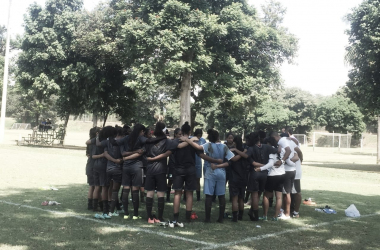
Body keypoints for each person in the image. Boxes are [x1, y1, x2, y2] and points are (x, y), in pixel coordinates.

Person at [181, 129, 234, 223]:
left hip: (210, 171)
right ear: (218, 137)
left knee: (209, 195)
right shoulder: (224, 146)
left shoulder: (208, 145)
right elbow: (230, 159)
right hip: (221, 172)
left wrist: (188, 140)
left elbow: (198, 147)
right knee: (221, 195)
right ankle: (221, 218)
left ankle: (207, 218)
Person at [231, 132, 278, 221]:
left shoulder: (251, 149)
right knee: (259, 194)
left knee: (255, 196)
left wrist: (236, 150)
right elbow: (278, 150)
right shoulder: (266, 147)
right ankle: (252, 212)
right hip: (264, 173)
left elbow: (246, 156)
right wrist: (279, 161)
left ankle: (255, 216)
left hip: (255, 173)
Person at [169, 122, 203, 227]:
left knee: (177, 193)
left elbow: (178, 147)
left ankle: (175, 217)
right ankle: (188, 217)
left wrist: (188, 140)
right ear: (190, 131)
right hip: (190, 169)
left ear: (181, 131)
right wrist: (191, 140)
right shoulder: (193, 141)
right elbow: (199, 149)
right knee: (189, 193)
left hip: (178, 169)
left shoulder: (175, 141)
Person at [211, 136, 247, 222]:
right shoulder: (245, 151)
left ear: (234, 142)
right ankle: (240, 215)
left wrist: (216, 166)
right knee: (241, 198)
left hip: (234, 177)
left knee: (234, 198)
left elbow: (230, 161)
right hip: (243, 177)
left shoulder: (231, 152)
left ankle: (235, 217)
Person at [119, 124, 147, 220]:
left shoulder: (126, 138)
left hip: (126, 166)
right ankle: (135, 214)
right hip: (137, 166)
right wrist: (136, 151)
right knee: (135, 190)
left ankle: (126, 213)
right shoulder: (141, 139)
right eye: (143, 132)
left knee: (126, 189)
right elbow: (142, 150)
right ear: (141, 131)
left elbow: (122, 151)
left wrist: (126, 157)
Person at [254, 137, 286, 221]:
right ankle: (275, 216)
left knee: (266, 196)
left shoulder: (271, 151)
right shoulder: (282, 150)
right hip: (282, 174)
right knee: (279, 197)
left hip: (272, 175)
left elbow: (271, 163)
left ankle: (265, 215)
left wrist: (260, 169)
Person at [271, 132, 297, 220]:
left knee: (287, 193)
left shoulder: (282, 140)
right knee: (286, 193)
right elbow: (297, 151)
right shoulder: (289, 141)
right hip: (292, 170)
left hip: (287, 170)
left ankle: (287, 214)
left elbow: (288, 150)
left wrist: (282, 161)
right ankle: (285, 212)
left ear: (275, 137)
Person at [103, 126, 124, 217]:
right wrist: (117, 160)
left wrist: (112, 160)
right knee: (115, 190)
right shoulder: (121, 143)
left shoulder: (108, 141)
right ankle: (111, 210)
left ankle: (106, 209)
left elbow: (105, 153)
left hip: (108, 168)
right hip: (118, 169)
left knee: (108, 188)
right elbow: (123, 154)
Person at [166, 128, 182, 202]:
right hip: (172, 166)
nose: (180, 136)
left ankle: (182, 197)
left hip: (179, 165)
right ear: (175, 134)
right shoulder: (171, 142)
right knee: (170, 181)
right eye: (179, 134)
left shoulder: (182, 143)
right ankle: (168, 197)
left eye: (181, 134)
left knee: (181, 182)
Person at [85, 127, 98, 210]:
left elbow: (88, 154)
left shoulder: (89, 142)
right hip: (94, 165)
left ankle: (90, 205)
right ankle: (95, 205)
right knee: (96, 186)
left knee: (91, 186)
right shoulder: (96, 142)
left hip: (89, 165)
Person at [193, 128, 206, 201]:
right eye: (198, 135)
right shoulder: (191, 139)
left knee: (198, 180)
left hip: (198, 162)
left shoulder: (203, 140)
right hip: (191, 161)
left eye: (200, 135)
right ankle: (186, 196)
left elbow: (203, 150)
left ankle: (198, 197)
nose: (199, 137)